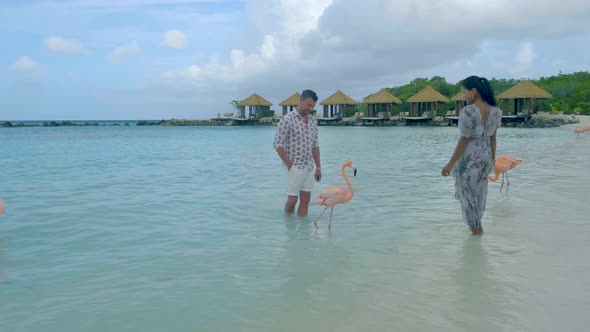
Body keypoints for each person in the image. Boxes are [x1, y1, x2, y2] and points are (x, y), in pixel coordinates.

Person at [441, 76, 502, 235]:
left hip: (469, 159)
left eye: (464, 92)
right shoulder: (496, 111)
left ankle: (476, 233)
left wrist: (450, 164)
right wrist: (493, 159)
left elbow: (464, 139)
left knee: (468, 198)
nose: (463, 96)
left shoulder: (467, 111)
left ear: (474, 91)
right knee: (478, 195)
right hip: (485, 159)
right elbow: (493, 138)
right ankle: (477, 238)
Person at [273, 90, 321, 217]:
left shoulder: (312, 121)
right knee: (293, 200)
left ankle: (302, 234)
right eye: (308, 105)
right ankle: (289, 227)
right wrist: (289, 164)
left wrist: (318, 167)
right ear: (301, 101)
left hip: (309, 165)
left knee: (306, 200)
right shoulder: (287, 119)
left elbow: (315, 145)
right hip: (294, 165)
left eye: (313, 106)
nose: (310, 108)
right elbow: (278, 144)